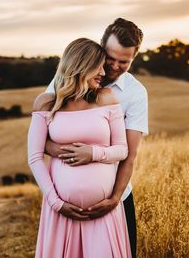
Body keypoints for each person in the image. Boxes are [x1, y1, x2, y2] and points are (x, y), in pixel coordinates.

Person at [44, 18, 148, 257]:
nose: (114, 66)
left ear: (134, 58)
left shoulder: (135, 93)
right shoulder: (64, 81)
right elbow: (41, 139)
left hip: (114, 201)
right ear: (101, 47)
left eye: (124, 62)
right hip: (63, 203)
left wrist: (114, 199)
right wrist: (66, 152)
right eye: (110, 58)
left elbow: (129, 155)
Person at [28, 38, 131, 257]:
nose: (104, 72)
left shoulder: (106, 99)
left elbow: (122, 150)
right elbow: (35, 157)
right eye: (99, 66)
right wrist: (56, 203)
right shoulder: (46, 103)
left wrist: (92, 153)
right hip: (61, 214)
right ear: (81, 65)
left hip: (102, 213)